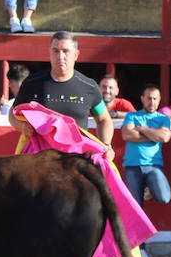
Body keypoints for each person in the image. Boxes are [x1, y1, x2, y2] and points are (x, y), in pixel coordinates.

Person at [8, 31, 114, 163]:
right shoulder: (32, 83)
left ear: (76, 55)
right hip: (39, 162)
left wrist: (106, 145)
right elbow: (12, 113)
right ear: (50, 53)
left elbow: (104, 119)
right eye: (55, 51)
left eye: (65, 51)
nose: (60, 56)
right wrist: (22, 126)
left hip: (76, 162)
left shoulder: (89, 87)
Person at [120, 85, 171, 208]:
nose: (152, 102)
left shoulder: (163, 118)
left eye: (155, 99)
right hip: (132, 165)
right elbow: (127, 135)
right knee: (135, 207)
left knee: (164, 197)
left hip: (153, 165)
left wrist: (141, 128)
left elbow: (164, 137)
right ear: (142, 99)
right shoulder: (131, 116)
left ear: (159, 100)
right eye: (149, 98)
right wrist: (154, 135)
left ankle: (149, 188)